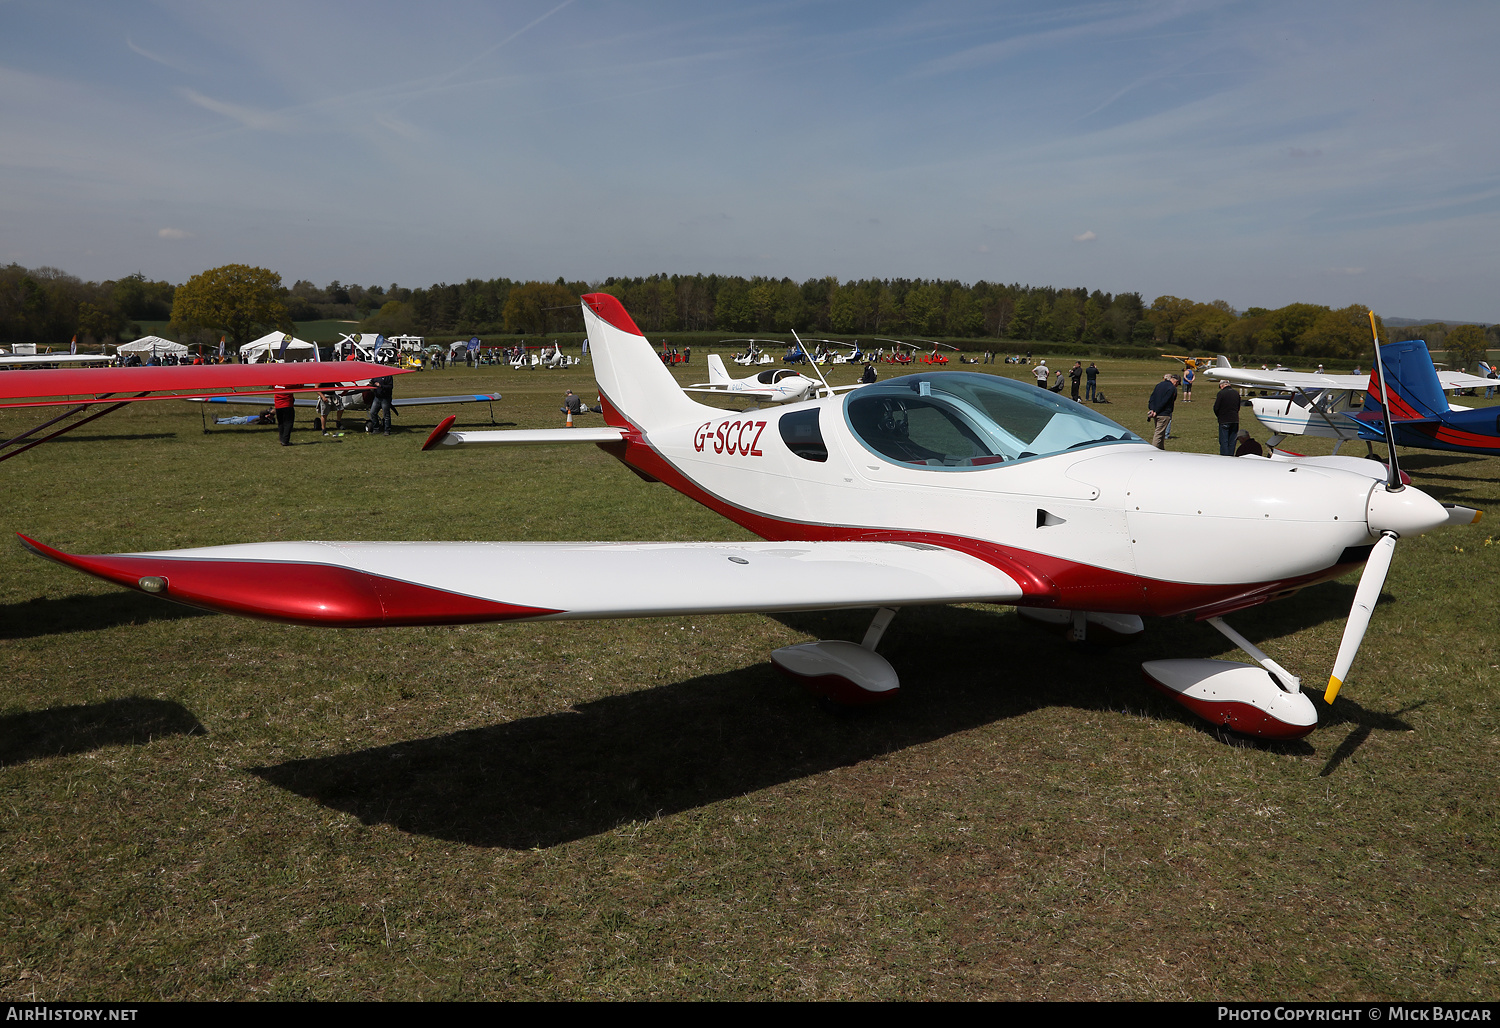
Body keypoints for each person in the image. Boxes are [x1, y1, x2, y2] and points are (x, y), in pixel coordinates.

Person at [1147, 373, 1179, 449]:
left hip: (1155, 412)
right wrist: (1156, 411)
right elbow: (1166, 401)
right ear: (1176, 381)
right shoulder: (1172, 388)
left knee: (1161, 433)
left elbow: (1152, 398)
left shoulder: (1159, 385)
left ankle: (1161, 450)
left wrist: (1151, 409)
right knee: (1158, 434)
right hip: (1164, 413)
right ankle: (1153, 450)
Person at [1212, 379, 1242, 456]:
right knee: (1232, 441)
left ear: (1221, 385)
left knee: (1224, 441)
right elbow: (1238, 406)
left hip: (1224, 419)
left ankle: (1225, 457)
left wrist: (1219, 416)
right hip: (1235, 419)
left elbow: (1216, 407)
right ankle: (1231, 455)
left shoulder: (1221, 393)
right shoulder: (1236, 393)